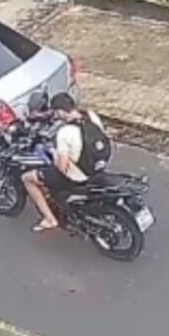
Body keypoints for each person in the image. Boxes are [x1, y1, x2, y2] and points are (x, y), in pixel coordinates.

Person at [22, 93, 111, 233]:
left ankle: (49, 219)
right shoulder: (91, 116)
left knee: (28, 178)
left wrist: (54, 153)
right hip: (98, 166)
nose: (56, 115)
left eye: (56, 112)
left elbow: (62, 168)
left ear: (62, 111)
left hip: (78, 177)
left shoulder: (65, 132)